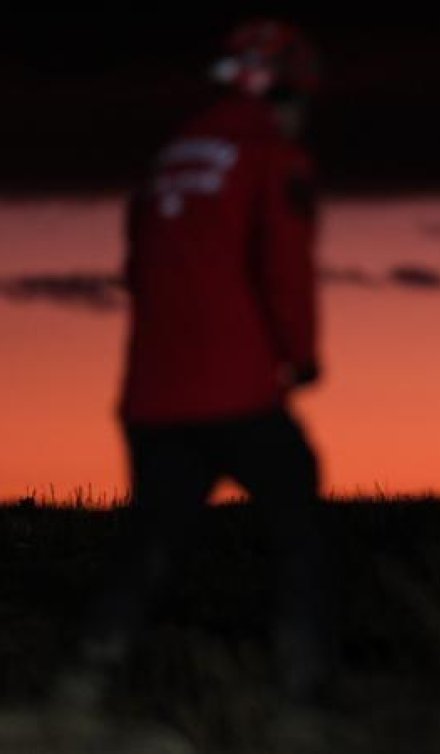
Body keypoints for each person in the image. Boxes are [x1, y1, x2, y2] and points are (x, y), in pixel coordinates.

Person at [54, 19, 330, 722]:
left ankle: (84, 682)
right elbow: (284, 265)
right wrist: (298, 355)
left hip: (151, 392)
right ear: (283, 93)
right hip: (234, 386)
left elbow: (138, 268)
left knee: (152, 538)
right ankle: (301, 692)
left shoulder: (170, 157)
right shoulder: (271, 153)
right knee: (297, 518)